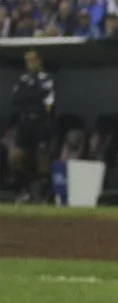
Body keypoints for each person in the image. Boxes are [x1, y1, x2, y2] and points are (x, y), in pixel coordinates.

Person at [8, 49, 55, 203]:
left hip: (40, 122)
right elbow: (16, 99)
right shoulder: (22, 79)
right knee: (15, 158)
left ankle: (45, 194)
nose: (30, 64)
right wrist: (32, 96)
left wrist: (30, 97)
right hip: (24, 122)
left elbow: (47, 102)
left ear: (40, 60)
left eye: (32, 60)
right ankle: (23, 190)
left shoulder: (47, 78)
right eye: (27, 61)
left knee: (42, 158)